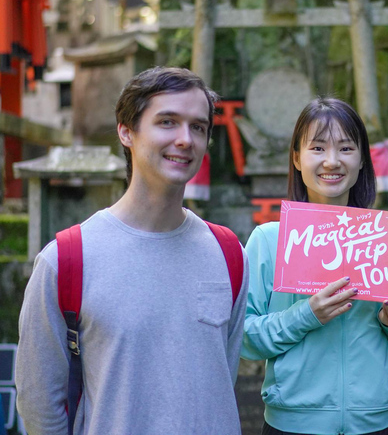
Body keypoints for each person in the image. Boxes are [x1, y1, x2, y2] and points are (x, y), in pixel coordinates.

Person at [16, 67, 249, 435]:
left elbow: (222, 378)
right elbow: (40, 405)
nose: (185, 139)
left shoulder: (229, 253)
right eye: (167, 122)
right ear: (126, 131)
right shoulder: (66, 259)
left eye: (198, 127)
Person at [241, 97, 388, 435]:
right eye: (318, 148)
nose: (332, 161)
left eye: (346, 148)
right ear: (297, 158)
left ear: (362, 159)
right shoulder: (268, 239)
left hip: (377, 422)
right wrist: (306, 315)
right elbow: (245, 338)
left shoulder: (386, 237)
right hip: (293, 425)